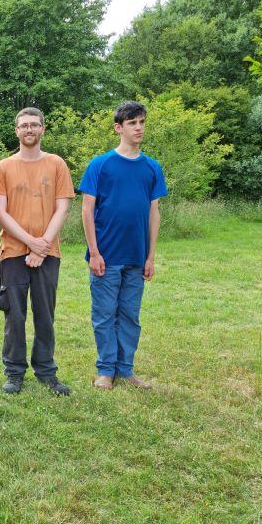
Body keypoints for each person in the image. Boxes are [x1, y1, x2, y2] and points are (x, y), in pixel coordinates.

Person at [79, 101, 167, 390]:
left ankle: (126, 370)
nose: (138, 127)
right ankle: (106, 371)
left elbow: (154, 212)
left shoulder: (152, 168)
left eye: (141, 121)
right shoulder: (100, 165)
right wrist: (94, 251)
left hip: (136, 257)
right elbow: (87, 211)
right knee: (105, 315)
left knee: (130, 315)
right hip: (106, 255)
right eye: (132, 123)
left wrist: (150, 256)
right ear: (119, 127)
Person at [0, 107, 75, 395]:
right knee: (14, 316)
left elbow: (63, 207)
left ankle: (46, 371)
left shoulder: (56, 164)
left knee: (45, 314)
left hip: (49, 253)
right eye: (24, 125)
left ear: (42, 130)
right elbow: (0, 212)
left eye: (34, 125)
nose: (29, 129)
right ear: (16, 131)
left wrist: (42, 245)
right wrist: (30, 241)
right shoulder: (3, 167)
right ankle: (14, 373)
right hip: (12, 252)